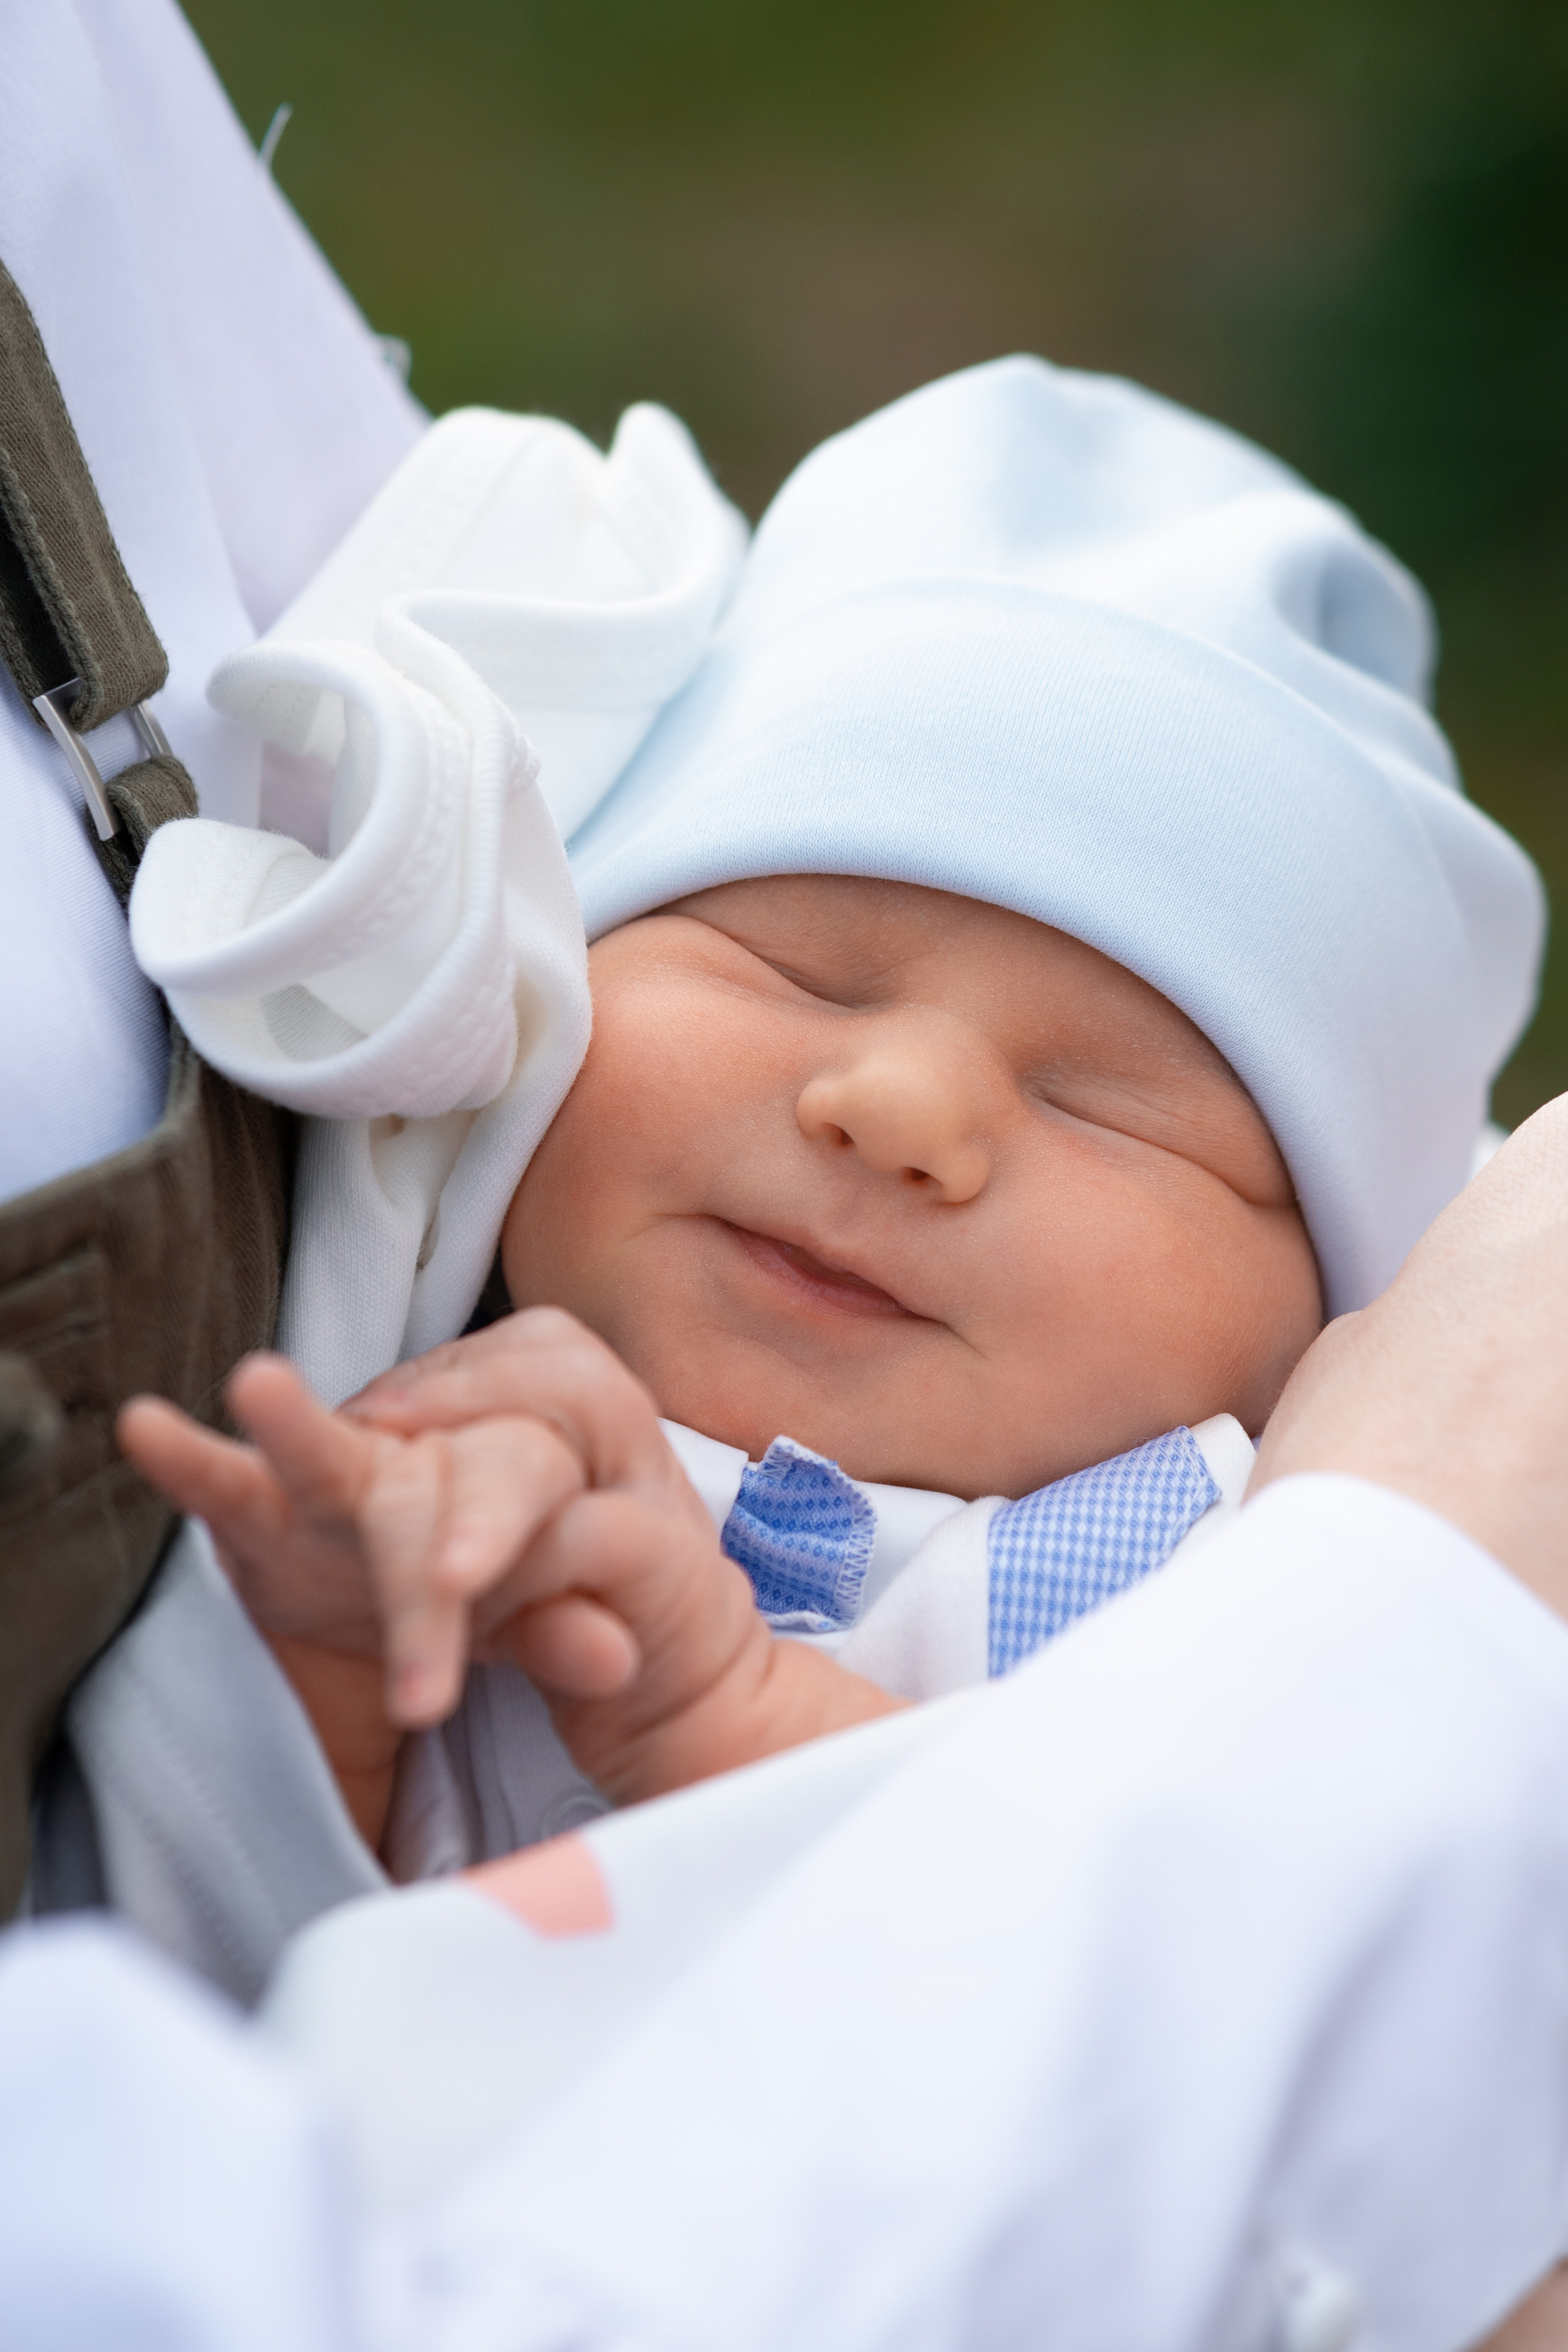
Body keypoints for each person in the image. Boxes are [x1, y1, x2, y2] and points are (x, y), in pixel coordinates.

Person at [117, 354, 1538, 1874]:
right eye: (795, 970)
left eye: (1113, 1110)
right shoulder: (388, 1392)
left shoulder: (1251, 1591)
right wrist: (328, 1671)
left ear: (1332, 1312)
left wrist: (731, 1719)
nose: (895, 1105)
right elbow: (191, 2015)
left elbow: (1208, 1983)